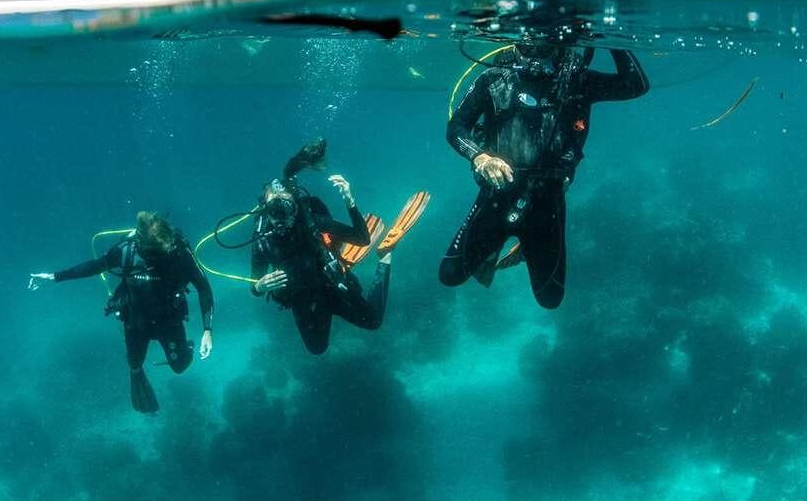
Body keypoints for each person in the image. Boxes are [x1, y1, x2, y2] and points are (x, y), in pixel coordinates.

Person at [441, 33, 649, 309]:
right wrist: (480, 157)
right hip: (497, 195)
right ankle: (497, 246)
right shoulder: (493, 79)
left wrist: (611, 39)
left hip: (547, 202)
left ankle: (527, 247)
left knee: (550, 298)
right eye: (528, 44)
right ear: (513, 41)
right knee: (450, 276)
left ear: (559, 45)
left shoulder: (577, 82)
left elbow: (636, 85)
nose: (535, 54)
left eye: (544, 45)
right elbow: (456, 128)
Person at [28, 211, 214, 414]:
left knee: (180, 367)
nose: (159, 255)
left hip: (168, 318)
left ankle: (186, 348)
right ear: (141, 243)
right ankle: (141, 380)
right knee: (135, 365)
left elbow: (203, 287)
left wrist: (207, 331)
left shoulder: (179, 253)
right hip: (136, 318)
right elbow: (95, 266)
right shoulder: (127, 250)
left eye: (162, 250)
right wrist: (55, 277)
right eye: (154, 251)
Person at [249, 139, 394, 355]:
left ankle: (384, 259)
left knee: (373, 321)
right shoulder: (262, 241)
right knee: (317, 349)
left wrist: (349, 201)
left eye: (286, 208)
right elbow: (254, 286)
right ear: (264, 210)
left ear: (296, 206)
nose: (281, 219)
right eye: (273, 211)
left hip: (332, 284)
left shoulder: (314, 222)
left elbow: (363, 239)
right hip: (301, 297)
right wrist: (259, 287)